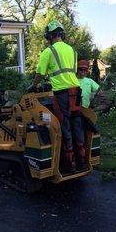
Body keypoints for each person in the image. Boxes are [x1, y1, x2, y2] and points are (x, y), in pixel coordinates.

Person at [28, 20, 85, 172]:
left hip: (62, 93)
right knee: (76, 123)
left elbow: (40, 74)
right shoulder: (72, 50)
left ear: (50, 36)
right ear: (61, 34)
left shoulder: (48, 52)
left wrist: (33, 86)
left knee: (64, 125)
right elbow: (71, 71)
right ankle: (82, 161)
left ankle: (70, 165)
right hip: (76, 90)